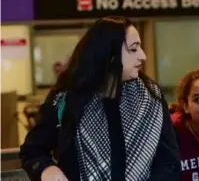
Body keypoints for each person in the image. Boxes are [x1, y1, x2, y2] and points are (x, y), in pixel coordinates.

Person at [19, 16, 181, 181]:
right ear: (110, 54)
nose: (143, 56)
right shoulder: (67, 99)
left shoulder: (150, 98)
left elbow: (169, 163)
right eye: (133, 49)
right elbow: (33, 150)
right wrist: (47, 169)